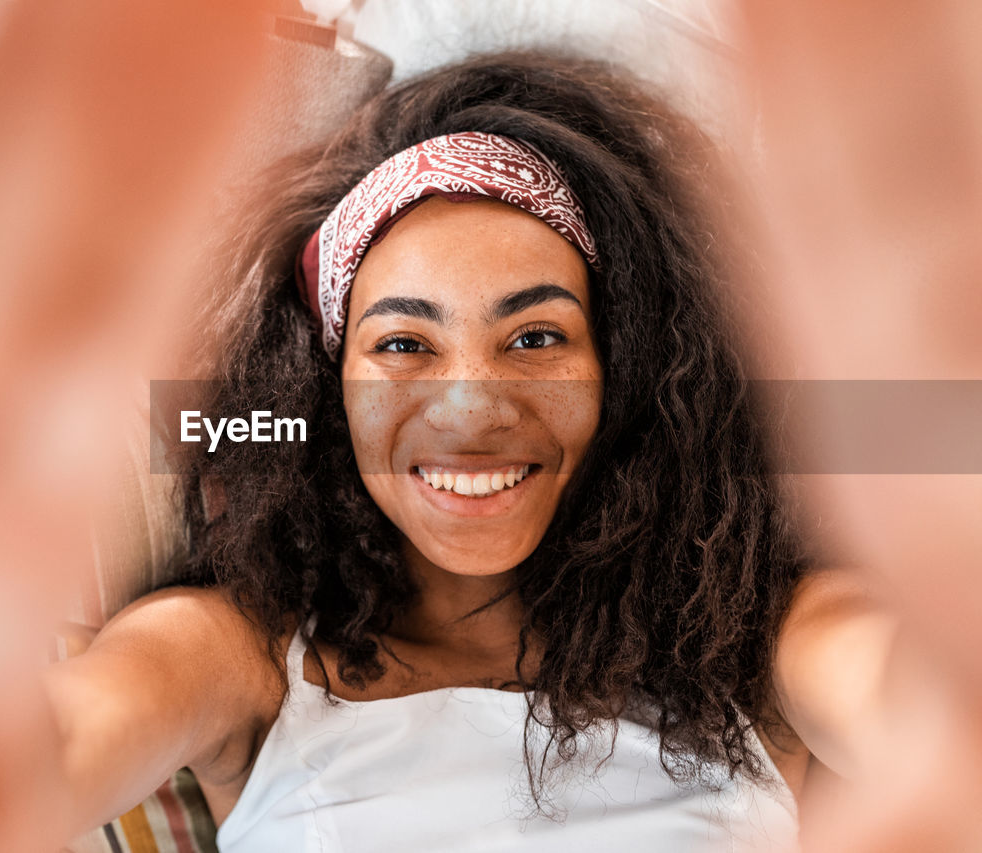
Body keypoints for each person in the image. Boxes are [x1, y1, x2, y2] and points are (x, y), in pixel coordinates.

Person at [44, 52, 888, 851]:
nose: (471, 409)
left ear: (619, 373)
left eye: (535, 337)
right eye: (404, 345)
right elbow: (41, 749)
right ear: (325, 399)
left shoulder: (765, 640)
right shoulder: (238, 657)